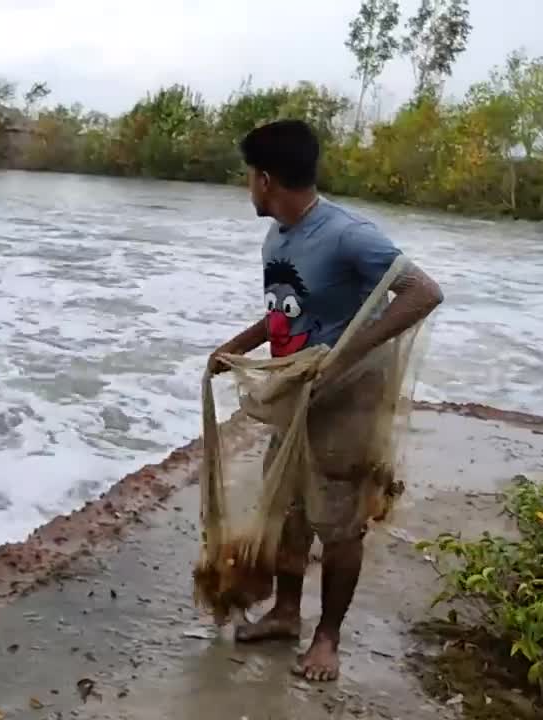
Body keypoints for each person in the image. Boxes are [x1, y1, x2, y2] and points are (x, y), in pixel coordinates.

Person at [206, 119, 444, 682]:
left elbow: (423, 291)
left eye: (249, 177)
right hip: (299, 397)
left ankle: (327, 638)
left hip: (346, 403)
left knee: (339, 522)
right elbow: (289, 311)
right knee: (288, 511)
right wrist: (236, 347)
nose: (248, 187)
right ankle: (286, 614)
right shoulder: (279, 236)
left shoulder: (346, 233)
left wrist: (344, 354)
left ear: (266, 179)